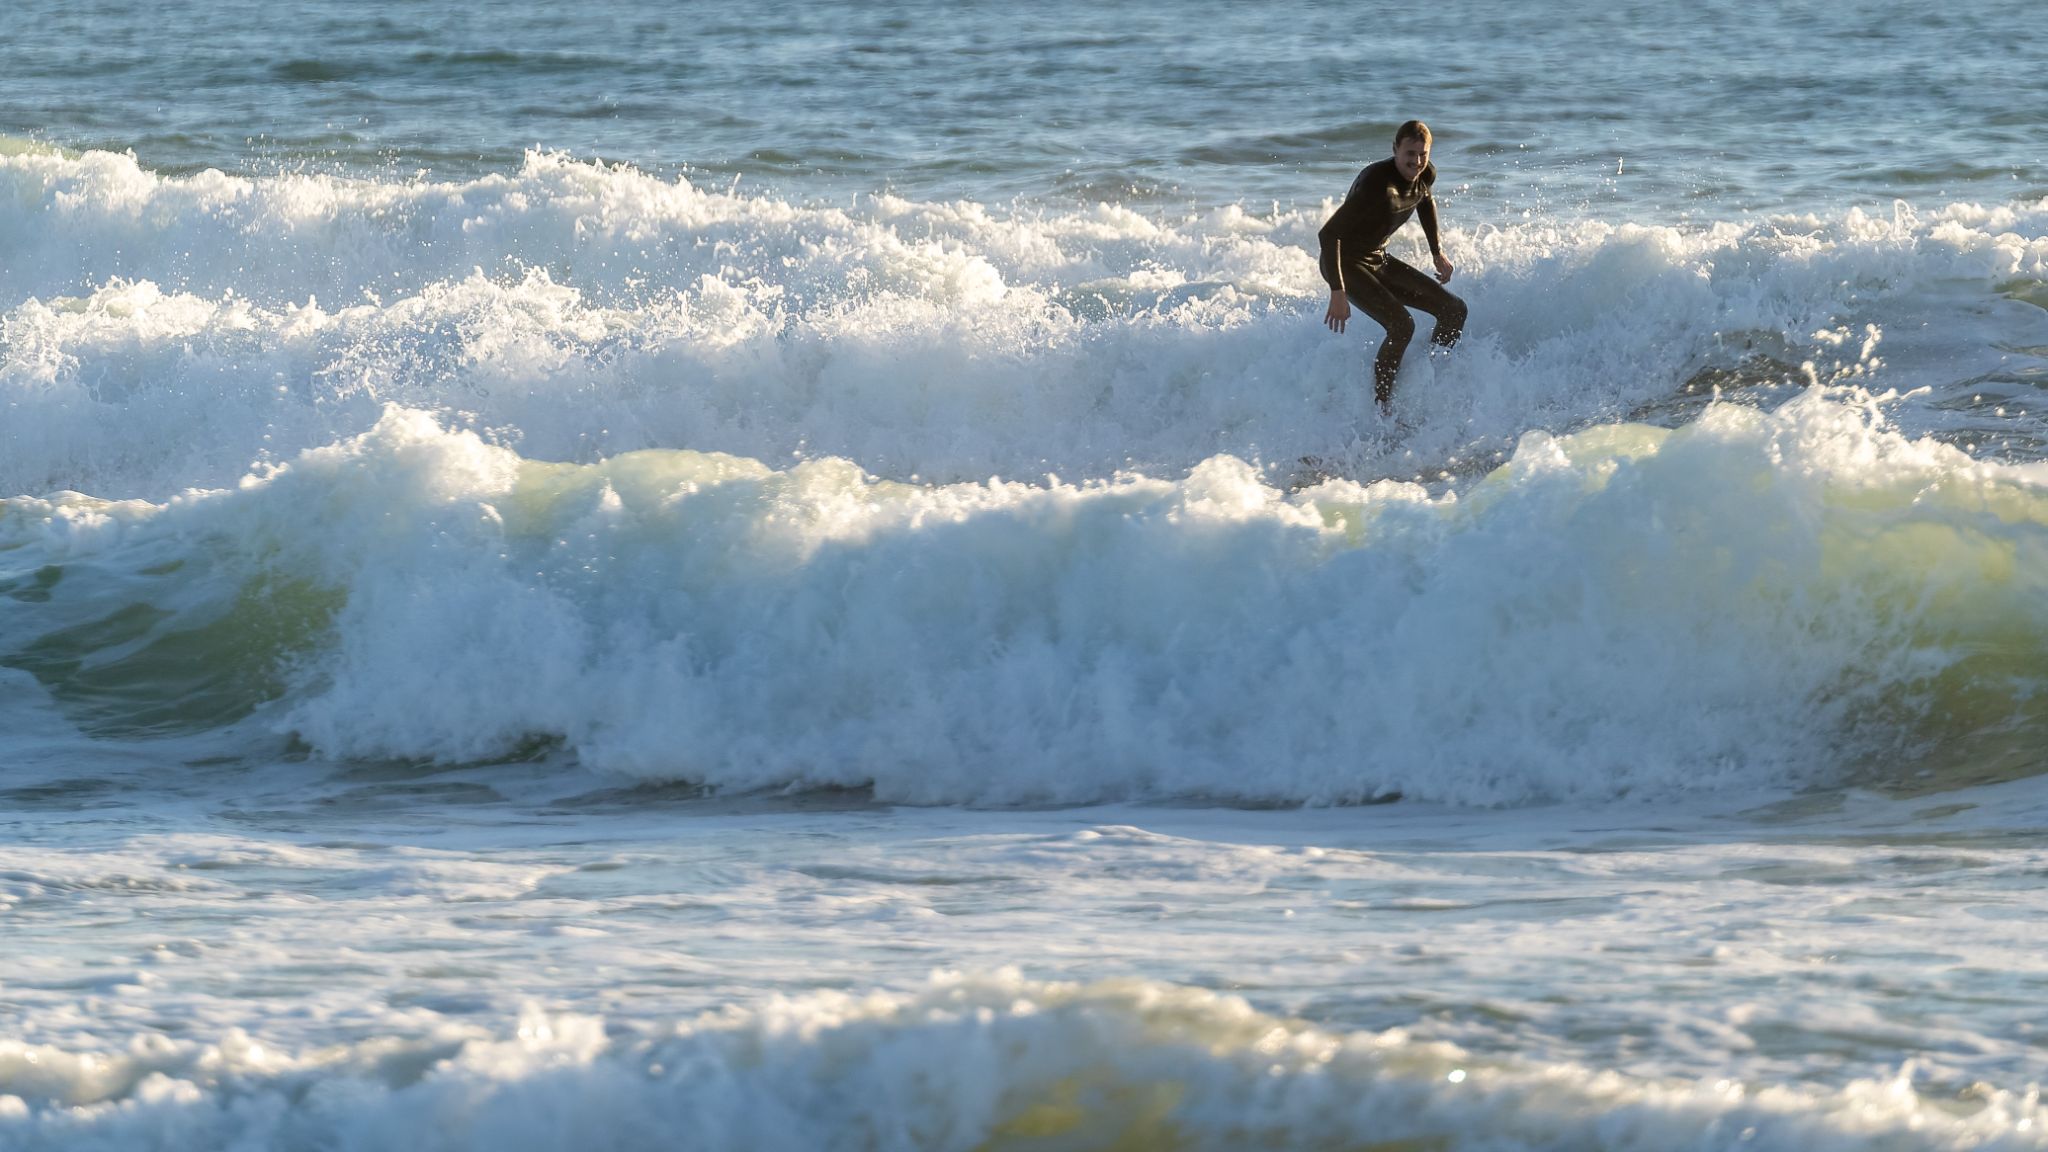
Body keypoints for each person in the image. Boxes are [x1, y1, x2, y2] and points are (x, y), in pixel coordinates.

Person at [1318, 120, 1467, 413]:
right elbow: (1328, 234)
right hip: (1344, 262)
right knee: (1402, 326)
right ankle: (1381, 406)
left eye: (1423, 154)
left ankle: (1431, 376)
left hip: (1377, 257)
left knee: (1454, 310)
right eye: (1410, 154)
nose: (1417, 161)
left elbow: (1425, 200)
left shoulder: (1426, 174)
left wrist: (1437, 252)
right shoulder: (1376, 185)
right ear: (1395, 150)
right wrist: (1337, 291)